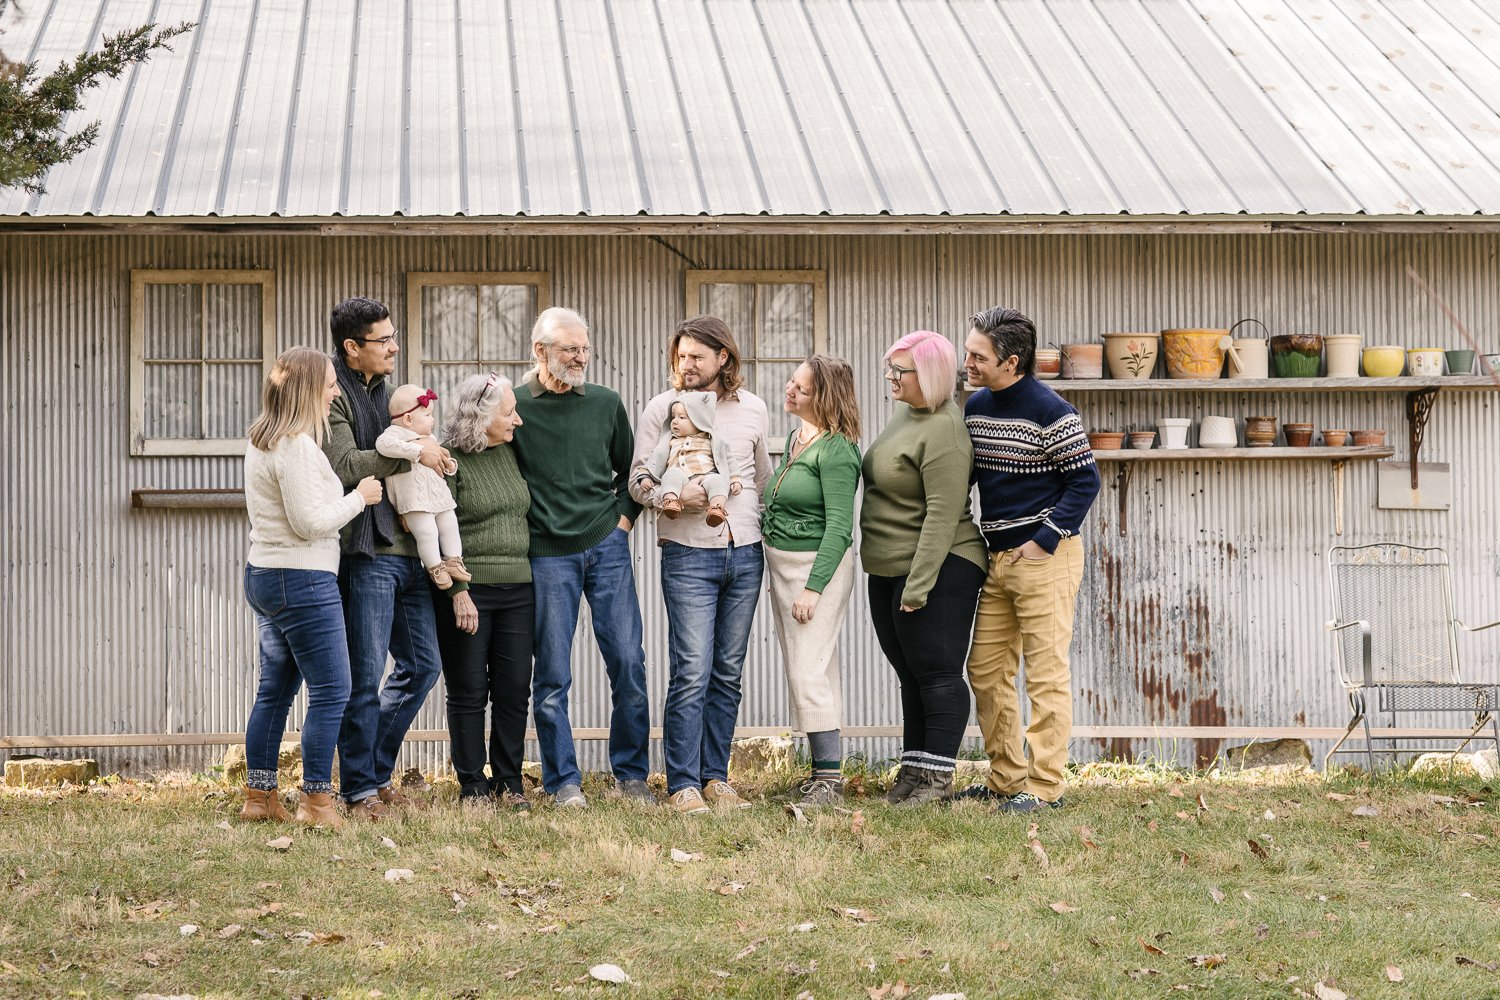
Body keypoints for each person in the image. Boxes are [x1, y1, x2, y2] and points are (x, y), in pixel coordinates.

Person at [511, 306, 651, 809]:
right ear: (539, 351)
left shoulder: (606, 404)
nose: (580, 357)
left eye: (585, 349)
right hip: (547, 555)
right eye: (570, 348)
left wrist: (623, 520)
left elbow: (632, 471)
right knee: (551, 673)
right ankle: (563, 782)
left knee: (629, 662)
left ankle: (632, 775)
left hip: (605, 545)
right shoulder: (516, 405)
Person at [630, 316, 771, 815]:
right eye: (680, 357)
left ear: (723, 359)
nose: (685, 366)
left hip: (746, 553)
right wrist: (669, 497)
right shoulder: (661, 409)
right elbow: (637, 480)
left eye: (696, 357)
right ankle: (683, 784)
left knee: (728, 672)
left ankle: (716, 777)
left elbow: (761, 480)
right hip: (688, 555)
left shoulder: (753, 409)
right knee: (691, 670)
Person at [962, 307, 1100, 813]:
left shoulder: (1052, 411)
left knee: (1045, 675)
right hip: (997, 560)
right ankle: (1006, 779)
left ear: (1012, 362)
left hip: (1047, 556)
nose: (968, 362)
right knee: (985, 669)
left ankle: (1044, 788)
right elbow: (969, 476)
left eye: (978, 356)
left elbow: (1085, 482)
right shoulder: (974, 406)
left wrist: (1042, 540)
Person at [241, 347, 383, 828]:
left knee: (274, 691)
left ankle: (259, 798)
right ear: (305, 389)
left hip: (266, 573)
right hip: (301, 578)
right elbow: (308, 523)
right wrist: (358, 498)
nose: (335, 391)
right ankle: (317, 803)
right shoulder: (297, 446)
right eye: (327, 383)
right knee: (333, 690)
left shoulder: (262, 440)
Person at [324, 296, 452, 821]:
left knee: (423, 665)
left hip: (413, 551)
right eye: (383, 340)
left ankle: (372, 773)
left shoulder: (394, 393)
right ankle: (358, 791)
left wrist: (426, 454)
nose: (395, 346)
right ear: (352, 348)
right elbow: (343, 462)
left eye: (395, 336)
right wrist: (410, 453)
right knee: (364, 674)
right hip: (367, 551)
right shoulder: (332, 392)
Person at [860, 332, 989, 806]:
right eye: (890, 368)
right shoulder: (907, 413)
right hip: (890, 564)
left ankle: (936, 782)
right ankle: (914, 774)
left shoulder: (946, 432)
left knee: (936, 673)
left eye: (900, 371)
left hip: (940, 564)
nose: (891, 378)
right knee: (909, 673)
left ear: (929, 376)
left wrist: (918, 586)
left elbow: (942, 514)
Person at [761, 356, 863, 807]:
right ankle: (824, 774)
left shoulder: (837, 449)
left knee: (809, 669)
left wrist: (814, 588)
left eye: (801, 388)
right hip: (784, 566)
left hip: (815, 570)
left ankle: (830, 786)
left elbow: (841, 528)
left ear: (824, 397)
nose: (790, 390)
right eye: (792, 382)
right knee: (811, 666)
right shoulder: (798, 437)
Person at [430, 373, 534, 809]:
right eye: (509, 412)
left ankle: (509, 781)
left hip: (519, 589)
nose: (518, 421)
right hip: (469, 592)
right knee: (470, 690)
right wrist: (458, 590)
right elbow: (435, 530)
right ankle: (472, 784)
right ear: (482, 416)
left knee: (513, 690)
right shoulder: (447, 460)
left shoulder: (511, 453)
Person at [376, 384, 469, 589]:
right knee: (427, 532)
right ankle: (435, 566)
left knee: (450, 523)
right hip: (414, 500)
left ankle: (453, 560)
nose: (433, 420)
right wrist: (417, 451)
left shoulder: (432, 439)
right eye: (427, 415)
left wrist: (449, 465)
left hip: (437, 496)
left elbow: (441, 463)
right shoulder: (394, 434)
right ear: (408, 419)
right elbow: (383, 446)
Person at [634, 392, 742, 525]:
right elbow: (655, 459)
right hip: (680, 475)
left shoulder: (713, 440)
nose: (674, 421)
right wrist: (645, 476)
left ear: (699, 420)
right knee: (670, 475)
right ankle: (671, 502)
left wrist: (735, 479)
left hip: (707, 475)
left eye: (682, 417)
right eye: (673, 417)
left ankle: (716, 508)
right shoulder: (669, 440)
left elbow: (729, 460)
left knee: (719, 481)